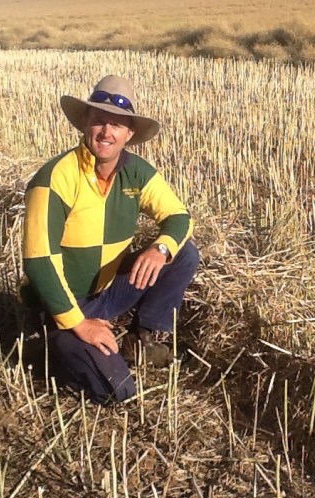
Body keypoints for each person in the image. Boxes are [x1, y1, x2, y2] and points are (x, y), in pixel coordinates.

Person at [21, 75, 199, 404]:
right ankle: (48, 342)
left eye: (117, 124)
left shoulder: (137, 172)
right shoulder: (54, 178)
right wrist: (79, 323)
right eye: (99, 120)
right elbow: (39, 261)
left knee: (183, 254)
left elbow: (179, 217)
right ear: (84, 123)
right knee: (118, 391)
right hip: (62, 303)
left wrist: (161, 249)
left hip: (107, 291)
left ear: (129, 134)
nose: (107, 132)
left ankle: (141, 341)